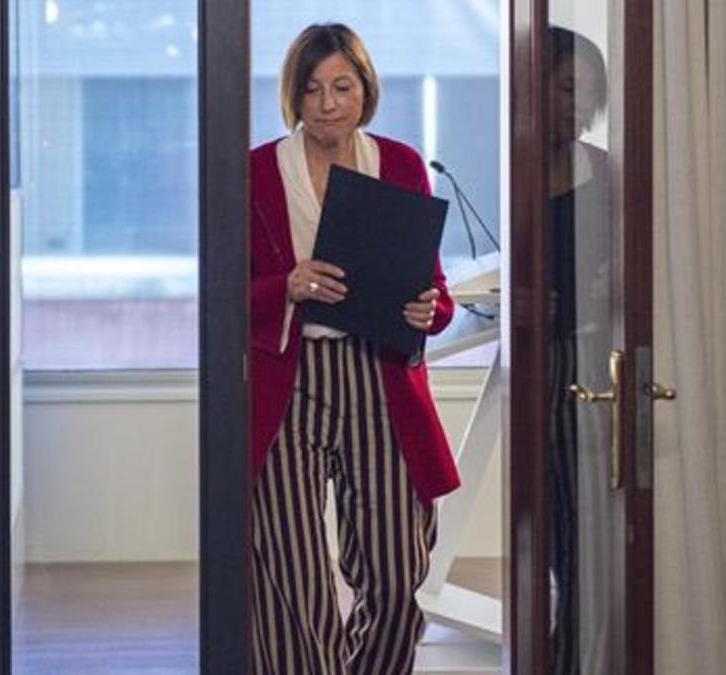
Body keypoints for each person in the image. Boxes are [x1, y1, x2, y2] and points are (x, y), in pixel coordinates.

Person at [247, 23, 460, 675]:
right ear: (293, 96)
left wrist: (430, 309)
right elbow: (219, 290)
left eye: (342, 86)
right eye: (311, 89)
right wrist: (286, 286)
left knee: (398, 573)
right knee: (292, 575)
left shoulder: (400, 164)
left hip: (380, 377)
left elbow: (433, 287)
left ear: (366, 89)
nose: (328, 103)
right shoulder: (255, 171)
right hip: (291, 379)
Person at [544, 25, 612, 675]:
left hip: (588, 358)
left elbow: (635, 263)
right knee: (545, 522)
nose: (580, 105)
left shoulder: (606, 171)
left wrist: (614, 280)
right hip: (535, 363)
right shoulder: (515, 171)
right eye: (567, 89)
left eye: (589, 92)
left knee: (585, 527)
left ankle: (573, 657)